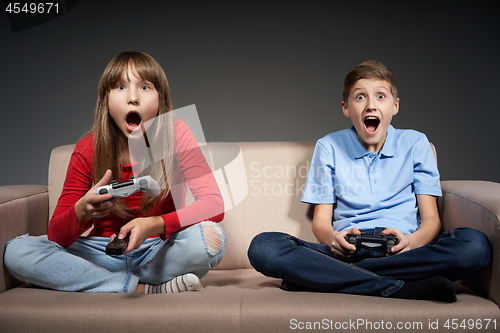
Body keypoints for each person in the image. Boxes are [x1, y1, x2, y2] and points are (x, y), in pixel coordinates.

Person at [247, 60, 491, 302]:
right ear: (346, 107)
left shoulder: (416, 143)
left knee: (474, 246)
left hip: (402, 251)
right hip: (348, 252)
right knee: (264, 247)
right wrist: (334, 239)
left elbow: (431, 219)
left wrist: (412, 241)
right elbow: (321, 221)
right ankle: (400, 288)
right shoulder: (329, 146)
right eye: (360, 97)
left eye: (381, 96)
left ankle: (324, 279)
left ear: (395, 106)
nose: (371, 105)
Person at [4, 51, 226, 294]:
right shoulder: (88, 148)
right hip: (101, 253)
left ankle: (104, 283)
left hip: (158, 251)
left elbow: (214, 204)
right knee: (18, 251)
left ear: (160, 98)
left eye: (144, 87)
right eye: (120, 87)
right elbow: (56, 236)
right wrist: (83, 210)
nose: (133, 98)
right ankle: (143, 288)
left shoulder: (177, 134)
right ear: (106, 100)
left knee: (212, 238)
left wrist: (153, 224)